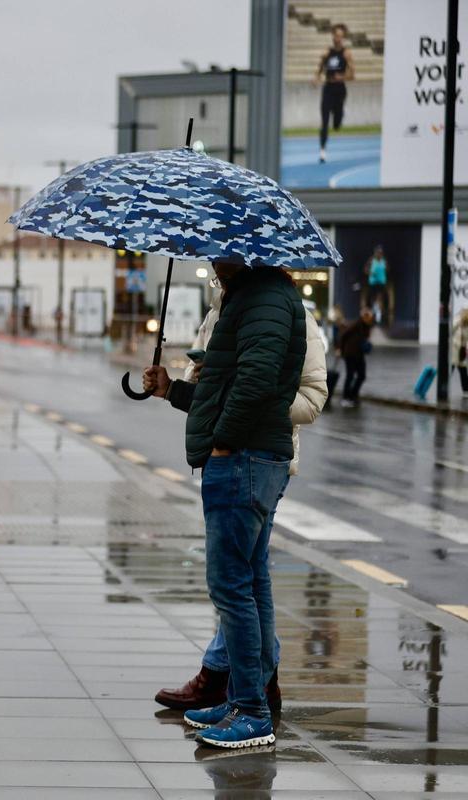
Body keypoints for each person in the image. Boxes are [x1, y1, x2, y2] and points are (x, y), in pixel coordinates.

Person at [143, 260, 306, 749]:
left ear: (248, 252)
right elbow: (227, 389)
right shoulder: (250, 297)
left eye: (222, 253)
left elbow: (256, 382)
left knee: (231, 587)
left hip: (245, 459)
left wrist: (224, 443)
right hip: (248, 456)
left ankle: (252, 712)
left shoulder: (265, 300)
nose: (214, 261)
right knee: (250, 584)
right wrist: (172, 388)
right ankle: (243, 699)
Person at [313, 23, 355, 164]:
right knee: (324, 121)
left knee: (336, 124)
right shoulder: (327, 53)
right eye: (335, 35)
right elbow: (319, 68)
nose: (337, 38)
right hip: (328, 88)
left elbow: (352, 75)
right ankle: (322, 151)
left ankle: (340, 114)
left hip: (340, 90)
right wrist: (317, 77)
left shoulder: (346, 54)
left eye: (340, 36)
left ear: (343, 38)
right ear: (332, 36)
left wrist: (342, 77)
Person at [338, 307, 375, 405]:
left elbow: (364, 340)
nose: (368, 319)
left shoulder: (366, 327)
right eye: (366, 316)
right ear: (362, 317)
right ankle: (345, 398)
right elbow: (343, 335)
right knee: (350, 375)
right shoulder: (356, 325)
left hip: (359, 354)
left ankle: (353, 395)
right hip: (350, 354)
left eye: (370, 317)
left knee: (362, 375)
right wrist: (340, 350)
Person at [364, 246, 388, 324]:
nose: (379, 255)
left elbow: (388, 269)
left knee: (382, 299)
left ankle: (381, 316)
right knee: (370, 299)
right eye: (377, 253)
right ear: (375, 253)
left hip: (381, 283)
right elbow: (365, 269)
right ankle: (371, 316)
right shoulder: (371, 260)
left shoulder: (384, 261)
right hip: (373, 283)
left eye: (380, 253)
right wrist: (370, 272)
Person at [453, 308, 468, 393]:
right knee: (451, 368)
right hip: (454, 348)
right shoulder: (457, 322)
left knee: (463, 370)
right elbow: (451, 330)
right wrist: (458, 323)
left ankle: (466, 389)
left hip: (462, 350)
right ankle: (444, 387)